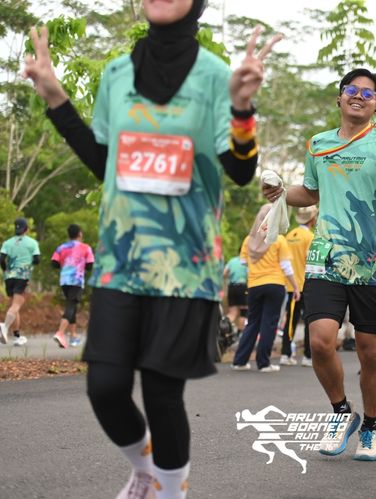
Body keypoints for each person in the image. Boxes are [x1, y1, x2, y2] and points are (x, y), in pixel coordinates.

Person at [23, 0, 281, 495]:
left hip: (185, 266)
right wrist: (56, 99)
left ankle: (170, 487)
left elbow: (241, 170)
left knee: (163, 394)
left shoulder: (216, 76)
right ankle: (147, 470)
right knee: (105, 387)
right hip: (120, 260)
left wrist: (242, 110)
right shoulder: (117, 74)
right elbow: (105, 164)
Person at [261, 68, 376, 461]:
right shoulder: (319, 144)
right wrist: (280, 193)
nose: (359, 96)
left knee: (370, 350)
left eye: (368, 93)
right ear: (339, 98)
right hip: (326, 256)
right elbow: (310, 193)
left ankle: (370, 426)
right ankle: (341, 412)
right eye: (351, 89)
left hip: (374, 262)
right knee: (320, 341)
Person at [232, 204, 300, 372]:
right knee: (269, 323)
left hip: (254, 285)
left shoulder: (249, 240)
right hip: (275, 284)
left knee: (252, 322)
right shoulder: (278, 239)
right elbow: (286, 267)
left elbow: (243, 262)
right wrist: (295, 287)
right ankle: (263, 363)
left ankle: (240, 361)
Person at [280, 206, 318, 367]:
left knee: (291, 320)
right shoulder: (310, 236)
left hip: (290, 285)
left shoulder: (289, 235)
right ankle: (308, 356)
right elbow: (312, 260)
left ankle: (285, 354)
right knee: (310, 321)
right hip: (306, 285)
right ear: (312, 219)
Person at [51, 223, 95, 348]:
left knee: (72, 306)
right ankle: (60, 333)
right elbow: (90, 265)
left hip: (64, 281)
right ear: (80, 234)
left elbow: (54, 263)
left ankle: (73, 336)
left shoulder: (61, 247)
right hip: (76, 280)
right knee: (71, 306)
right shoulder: (85, 248)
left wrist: (66, 265)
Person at [0, 218, 40, 346]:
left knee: (14, 306)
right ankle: (4, 326)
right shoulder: (32, 243)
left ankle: (17, 337)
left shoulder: (7, 243)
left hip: (9, 276)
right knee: (17, 305)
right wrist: (28, 264)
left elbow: (1, 259)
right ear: (27, 229)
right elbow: (37, 260)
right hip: (22, 275)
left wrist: (6, 270)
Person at [223, 249, 248, 333]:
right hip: (242, 287)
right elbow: (250, 275)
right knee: (244, 311)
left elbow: (224, 274)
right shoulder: (246, 262)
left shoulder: (232, 261)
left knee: (232, 313)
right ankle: (239, 334)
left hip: (231, 287)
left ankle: (222, 327)